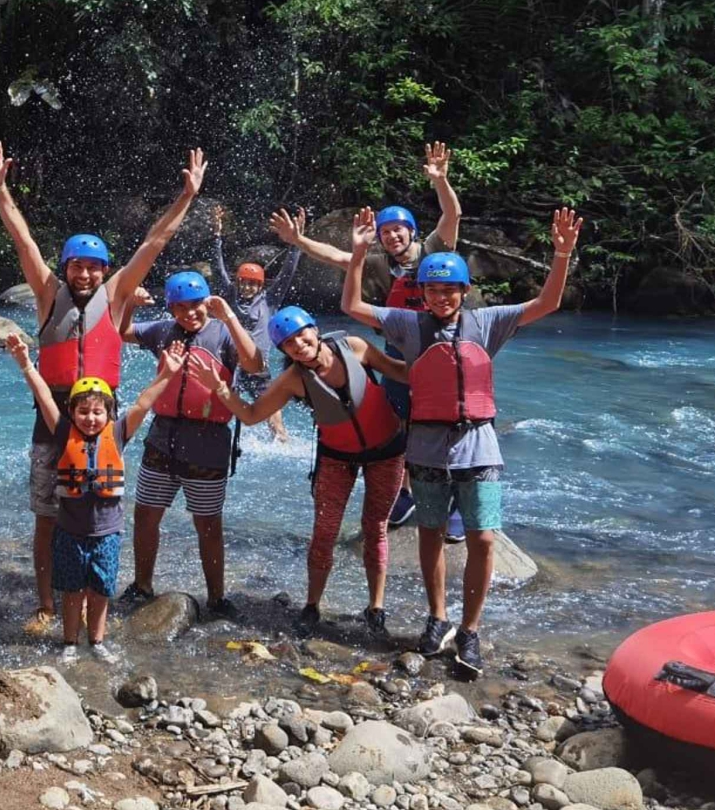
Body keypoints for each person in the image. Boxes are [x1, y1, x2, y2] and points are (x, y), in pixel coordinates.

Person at [342, 206, 584, 677]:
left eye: (450, 288)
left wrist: (562, 255)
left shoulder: (488, 322)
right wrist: (356, 256)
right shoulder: (409, 325)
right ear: (423, 292)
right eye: (433, 289)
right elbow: (353, 307)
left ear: (463, 291)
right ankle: (437, 619)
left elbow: (546, 304)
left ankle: (469, 631)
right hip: (428, 446)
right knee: (430, 535)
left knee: (484, 539)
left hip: (480, 447)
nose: (442, 296)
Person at [0, 138, 208, 634]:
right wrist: (0, 189)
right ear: (65, 269)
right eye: (77, 266)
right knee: (48, 515)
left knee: (99, 516)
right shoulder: (46, 293)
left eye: (92, 267)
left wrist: (186, 197)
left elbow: (154, 243)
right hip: (54, 414)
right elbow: (23, 243)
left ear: (104, 270)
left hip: (101, 415)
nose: (84, 273)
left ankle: (95, 601)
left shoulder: (119, 293)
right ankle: (47, 604)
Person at [271, 141, 463, 534]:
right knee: (401, 425)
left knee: (448, 425)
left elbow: (452, 214)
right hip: (397, 352)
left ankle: (456, 503)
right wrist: (298, 242)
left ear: (411, 232)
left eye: (398, 230)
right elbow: (335, 257)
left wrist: (441, 181)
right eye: (386, 232)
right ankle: (406, 494)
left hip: (439, 350)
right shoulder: (377, 263)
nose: (392, 237)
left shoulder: (432, 252)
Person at [195, 305, 408, 641]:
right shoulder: (294, 380)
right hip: (337, 457)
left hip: (388, 451)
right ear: (283, 351)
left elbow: (399, 371)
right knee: (324, 532)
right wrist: (220, 389)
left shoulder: (355, 346)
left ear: (315, 329)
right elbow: (251, 415)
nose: (298, 344)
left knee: (375, 526)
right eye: (289, 344)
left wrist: (439, 364)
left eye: (301, 335)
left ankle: (376, 607)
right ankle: (312, 605)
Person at [7, 333, 184, 664]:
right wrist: (26, 365)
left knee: (101, 590)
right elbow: (45, 397)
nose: (90, 417)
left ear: (109, 413)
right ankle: (70, 642)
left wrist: (167, 374)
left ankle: (98, 641)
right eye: (84, 411)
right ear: (72, 412)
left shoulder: (117, 434)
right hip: (69, 533)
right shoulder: (63, 432)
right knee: (72, 591)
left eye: (98, 412)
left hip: (106, 534)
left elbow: (144, 403)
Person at [118, 272, 262, 614]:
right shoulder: (163, 330)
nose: (189, 313)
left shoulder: (224, 333)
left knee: (208, 523)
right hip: (162, 436)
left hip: (208, 443)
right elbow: (123, 332)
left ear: (208, 303)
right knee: (146, 516)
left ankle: (216, 597)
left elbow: (255, 364)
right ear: (171, 307)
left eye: (196, 305)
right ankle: (142, 585)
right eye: (180, 307)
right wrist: (128, 305)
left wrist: (228, 317)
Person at [211, 203, 301, 442]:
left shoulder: (269, 300)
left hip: (257, 365)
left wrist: (296, 244)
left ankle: (281, 439)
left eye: (253, 284)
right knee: (223, 401)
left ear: (261, 285)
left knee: (270, 403)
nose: (248, 287)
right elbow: (218, 268)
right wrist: (217, 237)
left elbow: (288, 272)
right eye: (244, 282)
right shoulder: (230, 294)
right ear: (238, 282)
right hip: (230, 362)